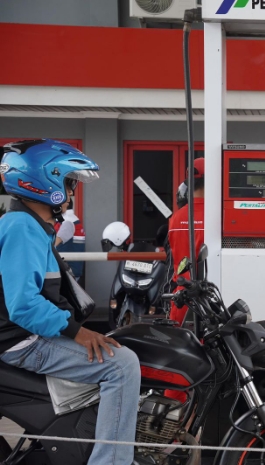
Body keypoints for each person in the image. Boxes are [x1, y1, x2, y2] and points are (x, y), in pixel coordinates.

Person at [0, 139, 140, 465]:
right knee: (122, 365)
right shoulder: (22, 227)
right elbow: (24, 304)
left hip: (27, 335)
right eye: (68, 182)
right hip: (22, 340)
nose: (72, 192)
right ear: (43, 180)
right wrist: (78, 332)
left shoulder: (32, 226)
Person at [168, 157, 204, 325]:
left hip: (181, 299)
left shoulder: (176, 218)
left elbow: (171, 260)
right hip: (209, 303)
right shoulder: (218, 216)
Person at [55, 202, 87, 285]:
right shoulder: (73, 220)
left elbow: (52, 245)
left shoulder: (67, 222)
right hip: (71, 271)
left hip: (66, 272)